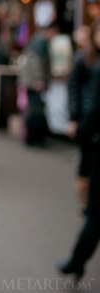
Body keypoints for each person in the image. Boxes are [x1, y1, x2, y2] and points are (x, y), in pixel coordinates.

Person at [58, 19, 100, 280]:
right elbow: (77, 90)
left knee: (96, 214)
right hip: (91, 136)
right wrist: (77, 120)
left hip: (93, 134)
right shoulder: (85, 61)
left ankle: (76, 261)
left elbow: (96, 108)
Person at [68, 21, 100, 213]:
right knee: (86, 160)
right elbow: (74, 89)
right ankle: (85, 200)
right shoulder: (84, 59)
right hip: (87, 119)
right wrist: (74, 117)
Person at [19, 21, 59, 148]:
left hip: (31, 81)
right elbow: (36, 63)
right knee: (36, 111)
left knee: (35, 109)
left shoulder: (37, 41)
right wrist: (39, 80)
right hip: (34, 82)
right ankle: (34, 138)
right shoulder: (39, 43)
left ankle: (32, 137)